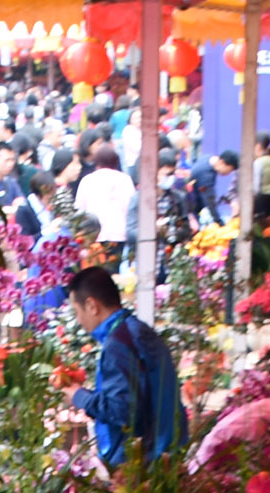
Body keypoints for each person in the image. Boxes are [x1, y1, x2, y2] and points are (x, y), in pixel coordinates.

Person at [66, 266, 184, 466]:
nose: (78, 320)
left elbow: (124, 412)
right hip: (166, 457)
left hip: (142, 466)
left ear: (92, 305)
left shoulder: (118, 343)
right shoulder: (137, 330)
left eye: (77, 312)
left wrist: (80, 397)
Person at [75, 142, 138, 248]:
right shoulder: (124, 179)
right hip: (119, 234)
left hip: (95, 235)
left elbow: (80, 209)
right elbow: (130, 207)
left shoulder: (87, 180)